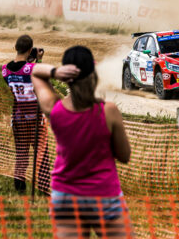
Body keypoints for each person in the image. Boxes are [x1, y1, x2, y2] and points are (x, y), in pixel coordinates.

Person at [31, 46, 132, 238]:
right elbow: (124, 155)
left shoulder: (55, 109)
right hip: (104, 194)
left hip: (66, 195)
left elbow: (34, 72)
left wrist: (54, 72)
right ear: (92, 76)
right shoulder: (108, 111)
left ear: (66, 77)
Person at [1, 34, 49, 194]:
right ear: (30, 50)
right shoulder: (33, 68)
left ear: (15, 48)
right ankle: (43, 190)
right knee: (41, 154)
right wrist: (39, 60)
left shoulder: (5, 70)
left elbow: (20, 73)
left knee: (21, 154)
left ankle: (20, 191)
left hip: (19, 117)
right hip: (35, 118)